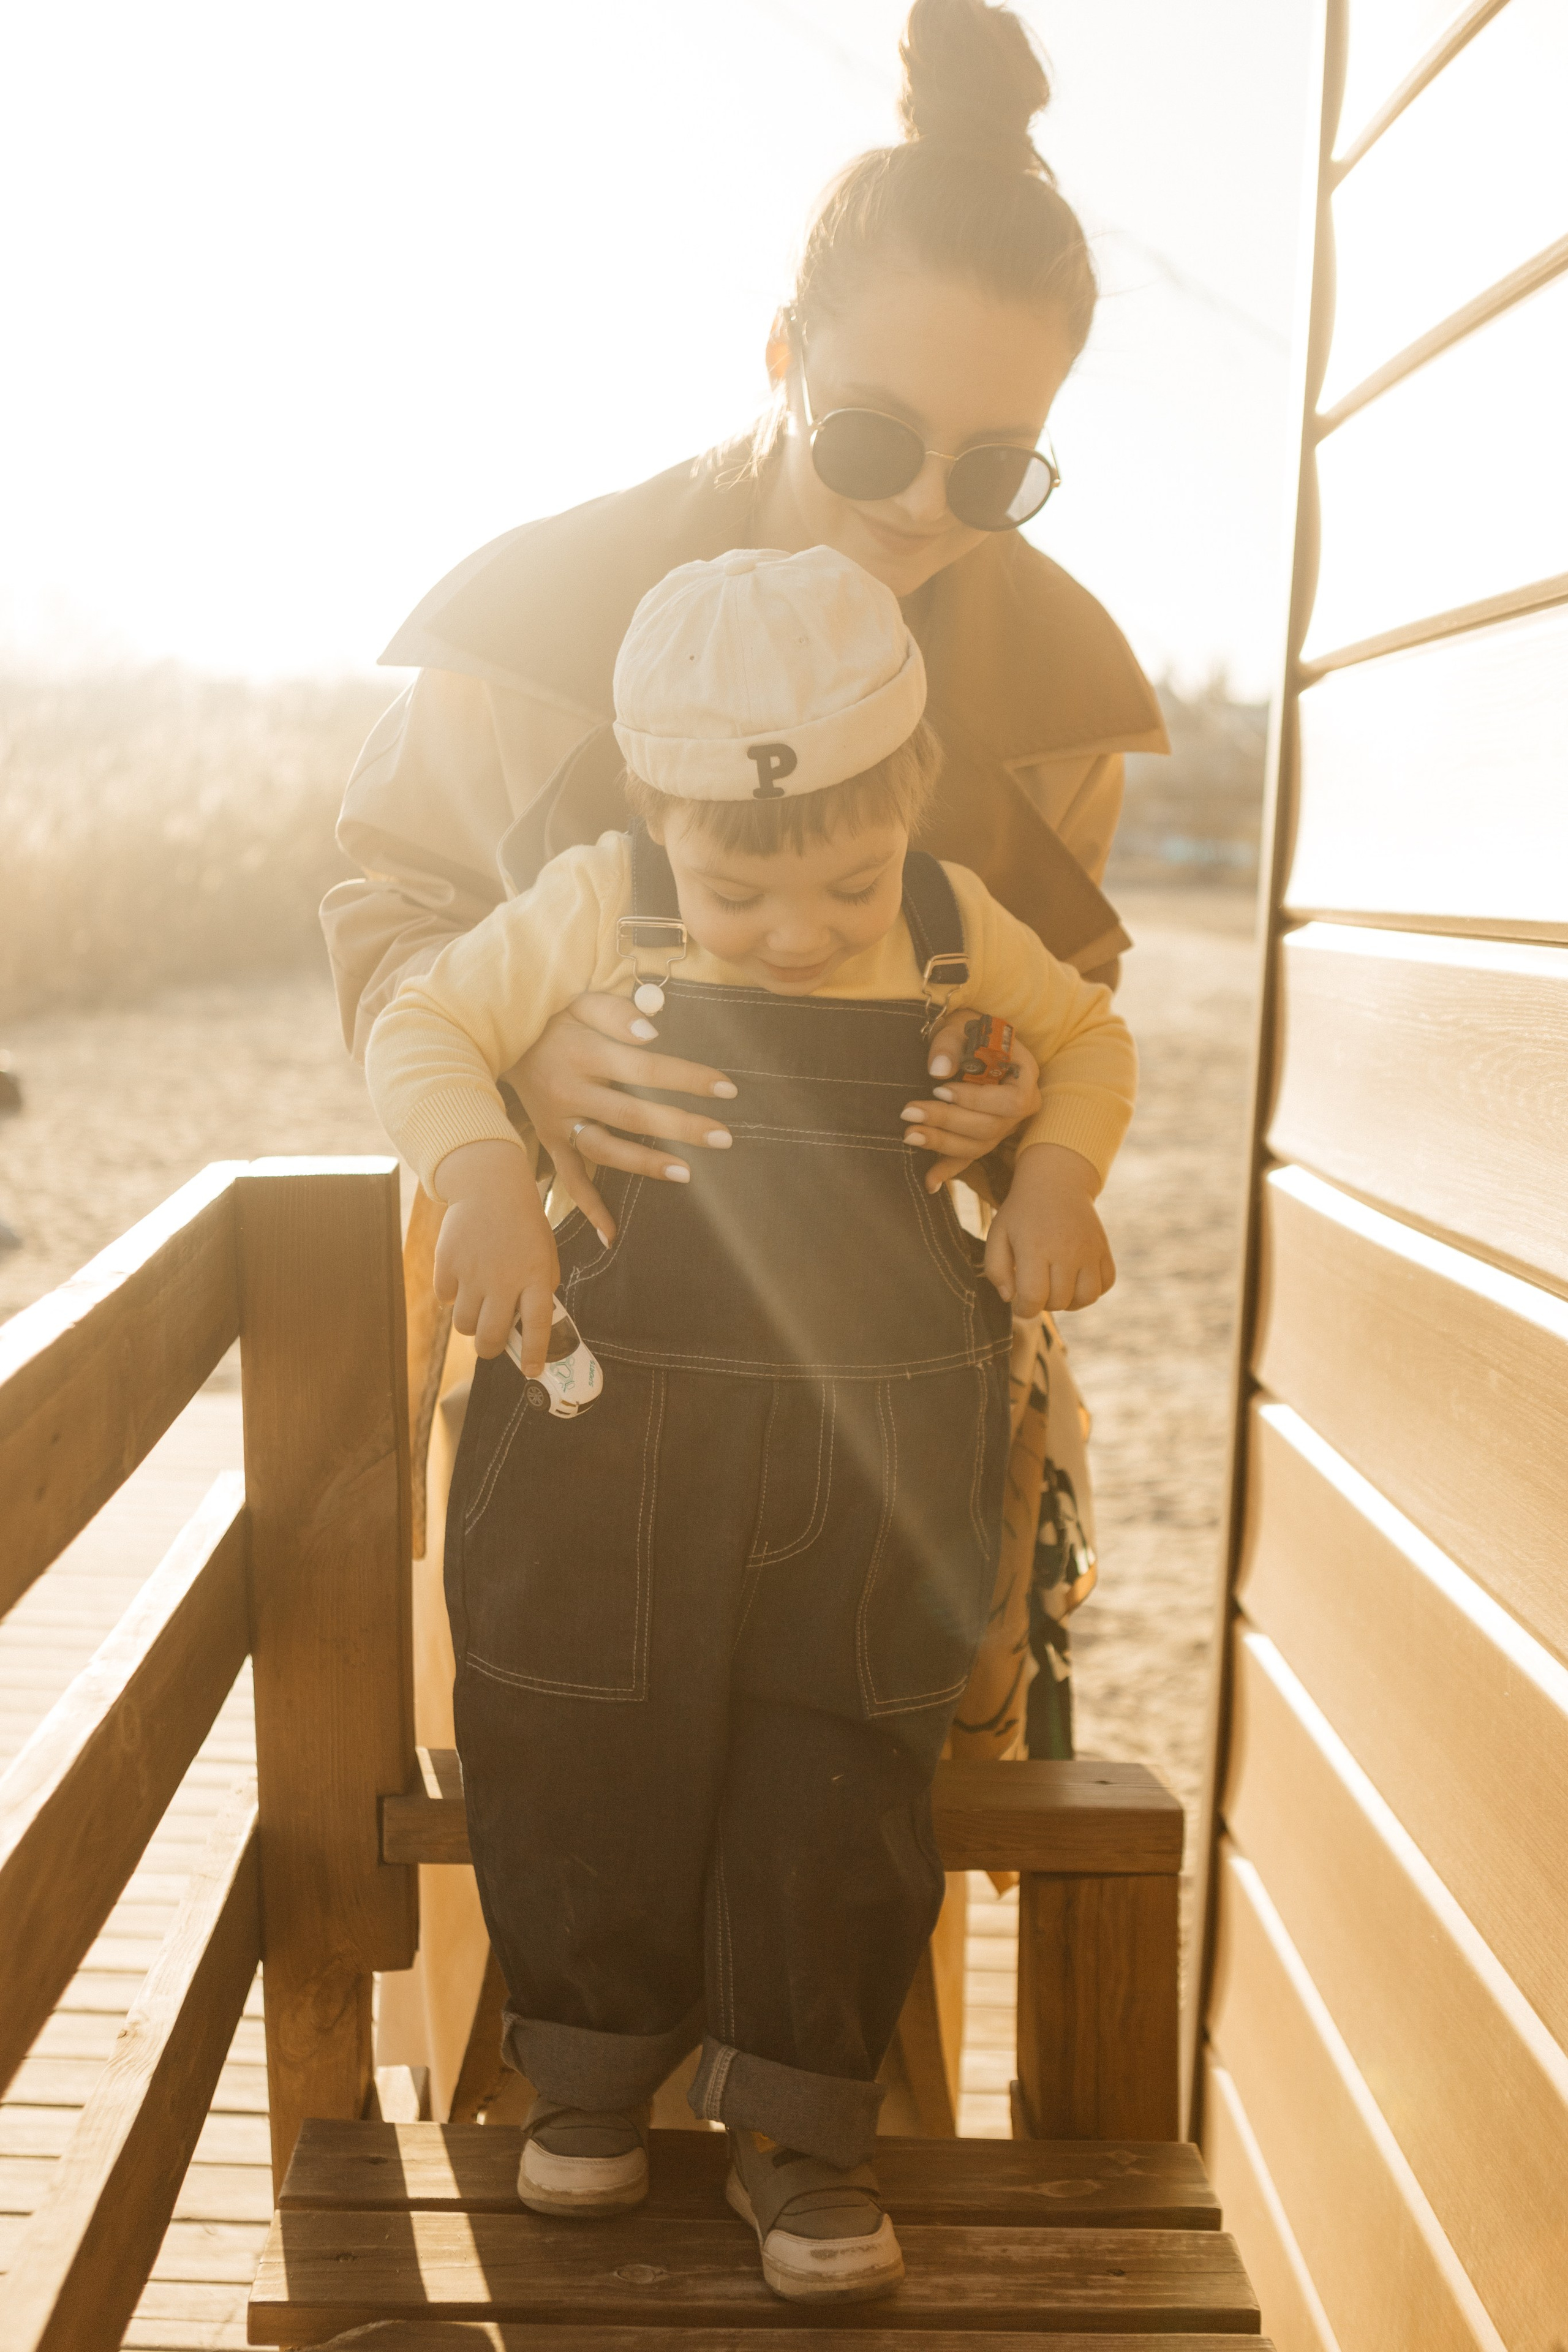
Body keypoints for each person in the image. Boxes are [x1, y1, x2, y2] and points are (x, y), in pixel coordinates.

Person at [329, 0, 1166, 2111]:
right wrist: (519, 1091)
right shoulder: (546, 611)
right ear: (778, 353)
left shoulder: (1058, 679)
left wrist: (997, 1106)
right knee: (565, 1914)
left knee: (842, 1927)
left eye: (996, 470)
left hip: (894, 1426)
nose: (926, 509)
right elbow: (389, 910)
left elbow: (1057, 1016)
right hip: (583, 1382)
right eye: (878, 437)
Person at [366, 543, 1135, 2302]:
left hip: (869, 1465)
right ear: (662, 817)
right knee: (584, 1741)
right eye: (738, 900)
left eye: (844, 889)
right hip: (617, 1449)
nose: (796, 934)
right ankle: (586, 2085)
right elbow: (426, 1019)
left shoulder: (948, 921)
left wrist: (1054, 1181)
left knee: (841, 1768)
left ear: (911, 805)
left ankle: (802, 2138)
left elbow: (1087, 1039)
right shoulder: (599, 896)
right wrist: (482, 1165)